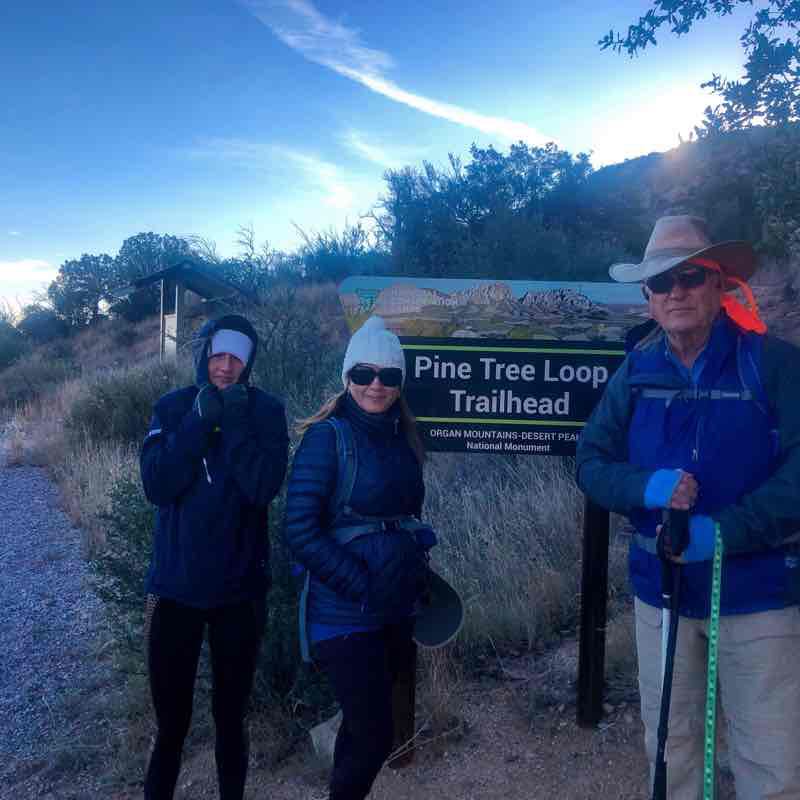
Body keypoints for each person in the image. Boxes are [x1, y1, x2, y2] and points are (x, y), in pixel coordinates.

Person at [577, 215, 800, 799]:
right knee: (669, 749)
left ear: (719, 284)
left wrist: (726, 532)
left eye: (690, 276)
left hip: (759, 593)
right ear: (648, 299)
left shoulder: (774, 365)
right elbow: (591, 462)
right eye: (660, 282)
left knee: (770, 759)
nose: (675, 291)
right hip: (661, 593)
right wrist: (645, 487)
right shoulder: (635, 370)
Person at [139, 313, 289, 800]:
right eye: (218, 356)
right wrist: (198, 422)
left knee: (230, 718)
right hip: (173, 591)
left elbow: (261, 487)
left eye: (237, 359)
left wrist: (236, 421)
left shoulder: (267, 412)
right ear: (203, 354)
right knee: (171, 725)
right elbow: (158, 485)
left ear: (250, 363)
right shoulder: (171, 407)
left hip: (240, 594)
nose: (226, 367)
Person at [284, 316, 430, 800]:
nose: (376, 385)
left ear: (400, 382)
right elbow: (299, 530)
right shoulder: (327, 438)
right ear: (348, 377)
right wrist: (363, 585)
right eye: (365, 374)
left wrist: (414, 570)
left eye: (389, 376)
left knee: (361, 728)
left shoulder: (403, 438)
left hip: (393, 608)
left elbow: (405, 518)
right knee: (374, 734)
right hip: (342, 614)